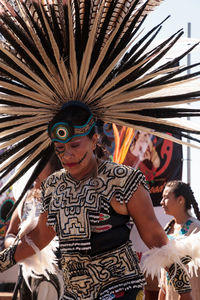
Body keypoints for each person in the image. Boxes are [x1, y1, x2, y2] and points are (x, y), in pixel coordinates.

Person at [4, 154, 64, 300]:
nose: (34, 170)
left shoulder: (64, 198)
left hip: (56, 279)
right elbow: (10, 234)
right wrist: (17, 245)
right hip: (26, 278)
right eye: (31, 165)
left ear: (54, 166)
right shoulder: (26, 198)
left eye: (40, 165)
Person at [158, 180, 200, 300]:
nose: (161, 202)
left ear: (180, 200)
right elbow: (163, 279)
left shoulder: (196, 229)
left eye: (166, 197)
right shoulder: (166, 229)